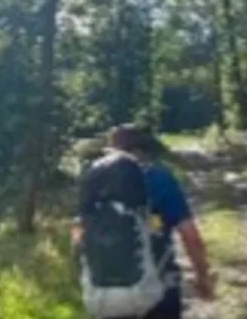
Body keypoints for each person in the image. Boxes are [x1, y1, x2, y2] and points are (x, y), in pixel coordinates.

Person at [73, 124, 215, 319]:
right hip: (159, 288)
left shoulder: (94, 180)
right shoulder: (160, 178)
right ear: (144, 149)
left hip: (106, 292)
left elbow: (79, 235)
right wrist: (202, 276)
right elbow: (191, 237)